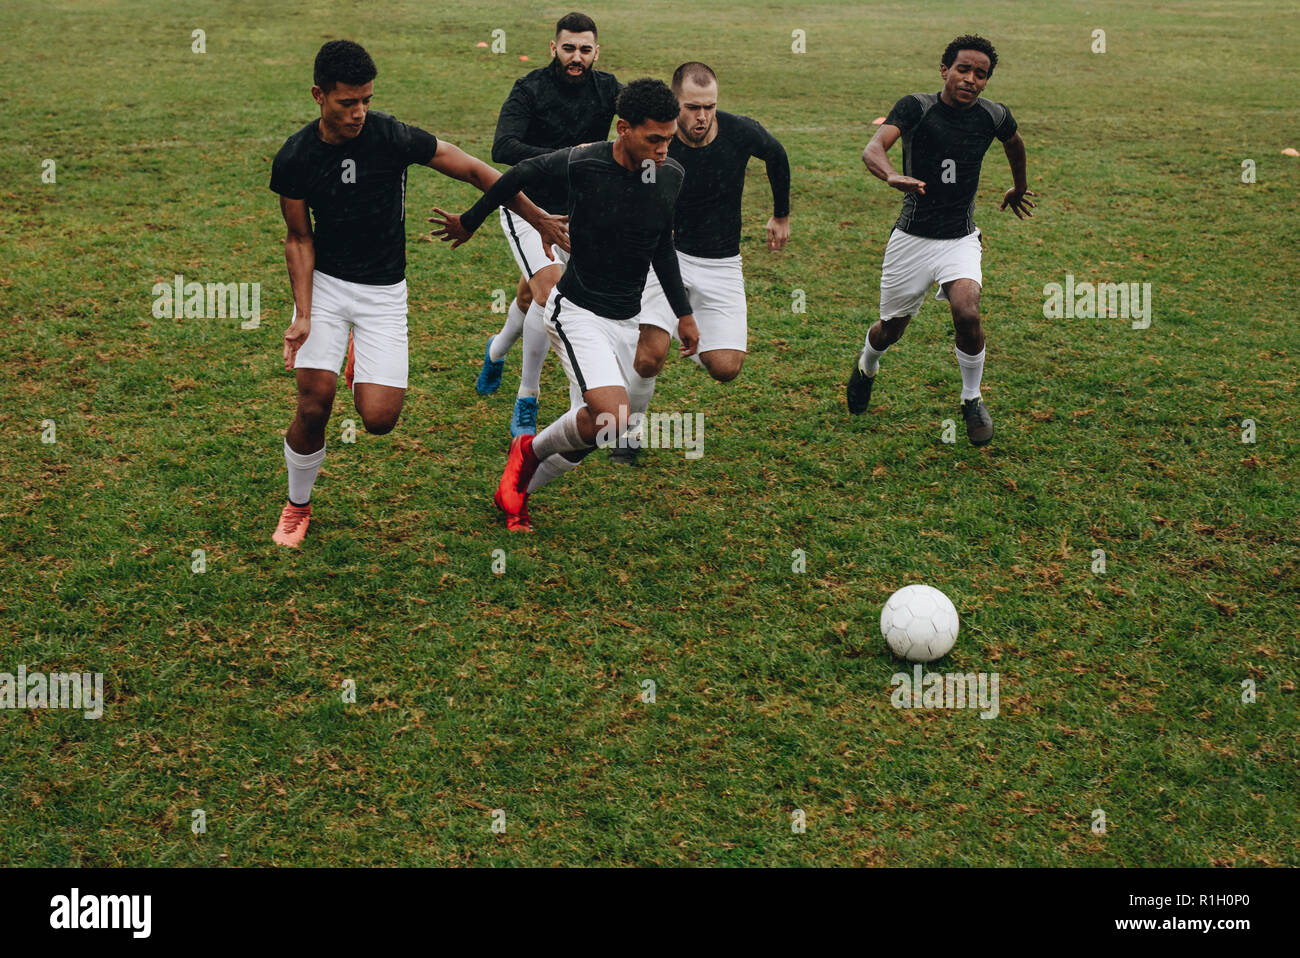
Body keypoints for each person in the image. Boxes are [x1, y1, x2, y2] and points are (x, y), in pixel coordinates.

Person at [269, 39, 565, 547]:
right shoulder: (296, 157)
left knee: (380, 420)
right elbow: (299, 238)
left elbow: (473, 168)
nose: (360, 111)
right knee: (315, 403)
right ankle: (298, 504)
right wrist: (303, 313)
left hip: (384, 292)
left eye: (366, 99)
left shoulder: (390, 136)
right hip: (327, 287)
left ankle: (359, 350)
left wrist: (535, 216)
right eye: (347, 102)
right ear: (319, 95)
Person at [431, 79, 699, 532]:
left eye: (669, 139)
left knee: (598, 432)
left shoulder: (670, 175)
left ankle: (518, 486)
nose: (662, 149)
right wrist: (471, 221)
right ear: (623, 129)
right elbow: (517, 174)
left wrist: (683, 312)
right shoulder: (584, 161)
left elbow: (662, 247)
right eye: (654, 139)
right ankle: (527, 453)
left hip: (626, 318)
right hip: (576, 313)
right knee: (613, 417)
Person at [847, 34, 1034, 446]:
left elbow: (1015, 143)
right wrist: (892, 174)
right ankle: (866, 367)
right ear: (945, 69)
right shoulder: (916, 107)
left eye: (980, 74)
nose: (970, 79)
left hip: (960, 238)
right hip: (911, 240)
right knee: (890, 330)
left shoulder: (994, 115)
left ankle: (971, 398)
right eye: (963, 69)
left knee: (967, 312)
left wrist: (1018, 187)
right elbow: (874, 147)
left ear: (987, 81)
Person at [617, 60, 791, 464]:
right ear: (675, 103)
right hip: (667, 257)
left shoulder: (739, 131)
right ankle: (630, 430)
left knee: (726, 368)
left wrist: (780, 214)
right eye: (692, 107)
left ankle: (679, 330)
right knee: (649, 357)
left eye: (709, 106)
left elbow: (777, 156)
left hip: (722, 262)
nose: (701, 116)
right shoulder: (658, 141)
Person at [475, 12, 622, 441]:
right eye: (569, 48)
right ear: (553, 48)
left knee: (528, 292)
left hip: (581, 210)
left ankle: (496, 349)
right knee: (550, 290)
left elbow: (644, 117)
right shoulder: (530, 88)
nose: (576, 57)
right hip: (527, 205)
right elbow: (503, 146)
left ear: (597, 52)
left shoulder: (609, 89)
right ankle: (528, 396)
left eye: (585, 49)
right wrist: (569, 155)